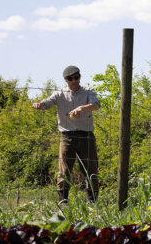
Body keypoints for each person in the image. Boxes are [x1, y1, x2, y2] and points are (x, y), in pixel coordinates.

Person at [32, 65, 100, 204]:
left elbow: (96, 105)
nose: (74, 81)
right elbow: (48, 103)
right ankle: (63, 203)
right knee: (64, 171)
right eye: (71, 78)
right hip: (67, 137)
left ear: (80, 77)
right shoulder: (59, 94)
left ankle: (92, 202)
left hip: (86, 136)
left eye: (77, 77)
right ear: (65, 80)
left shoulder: (88, 91)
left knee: (90, 170)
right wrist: (40, 104)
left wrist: (82, 107)